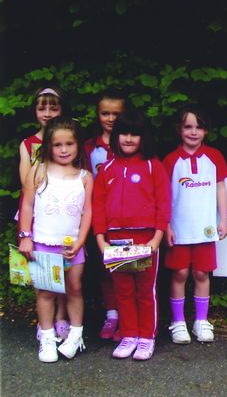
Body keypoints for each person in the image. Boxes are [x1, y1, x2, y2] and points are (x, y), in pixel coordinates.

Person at [92, 109, 171, 361]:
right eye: (123, 133)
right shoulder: (106, 169)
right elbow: (98, 207)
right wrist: (101, 239)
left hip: (146, 239)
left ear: (143, 137)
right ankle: (129, 335)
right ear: (116, 137)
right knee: (123, 290)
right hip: (116, 240)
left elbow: (163, 203)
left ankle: (146, 337)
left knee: (145, 291)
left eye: (134, 134)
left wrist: (156, 238)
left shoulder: (153, 166)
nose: (128, 138)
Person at [18, 116, 93, 362]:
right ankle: (48, 337)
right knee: (46, 292)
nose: (63, 150)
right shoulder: (38, 171)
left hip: (72, 247)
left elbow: (88, 212)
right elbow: (27, 205)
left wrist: (81, 241)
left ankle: (75, 335)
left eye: (69, 144)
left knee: (74, 289)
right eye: (57, 145)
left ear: (77, 145)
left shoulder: (84, 177)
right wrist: (25, 237)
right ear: (48, 146)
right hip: (43, 244)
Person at [163, 107, 227, 344]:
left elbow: (220, 187)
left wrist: (224, 219)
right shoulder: (170, 160)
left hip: (205, 228)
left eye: (198, 127)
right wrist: (166, 225)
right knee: (179, 273)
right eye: (188, 127)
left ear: (206, 131)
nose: (193, 132)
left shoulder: (214, 157)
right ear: (179, 130)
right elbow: (164, 197)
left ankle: (201, 321)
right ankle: (178, 322)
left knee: (202, 273)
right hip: (179, 229)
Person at [18, 87, 70, 342]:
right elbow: (26, 185)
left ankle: (62, 316)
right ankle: (44, 322)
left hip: (63, 216)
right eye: (42, 108)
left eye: (54, 107)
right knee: (44, 271)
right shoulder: (28, 144)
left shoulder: (68, 142)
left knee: (65, 266)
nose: (48, 113)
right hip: (39, 214)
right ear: (35, 111)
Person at [83, 92, 126, 342]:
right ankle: (111, 315)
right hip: (100, 219)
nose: (110, 118)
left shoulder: (132, 143)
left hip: (126, 220)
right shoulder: (89, 147)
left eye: (116, 114)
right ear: (98, 115)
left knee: (125, 268)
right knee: (104, 269)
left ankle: (126, 315)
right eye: (105, 113)